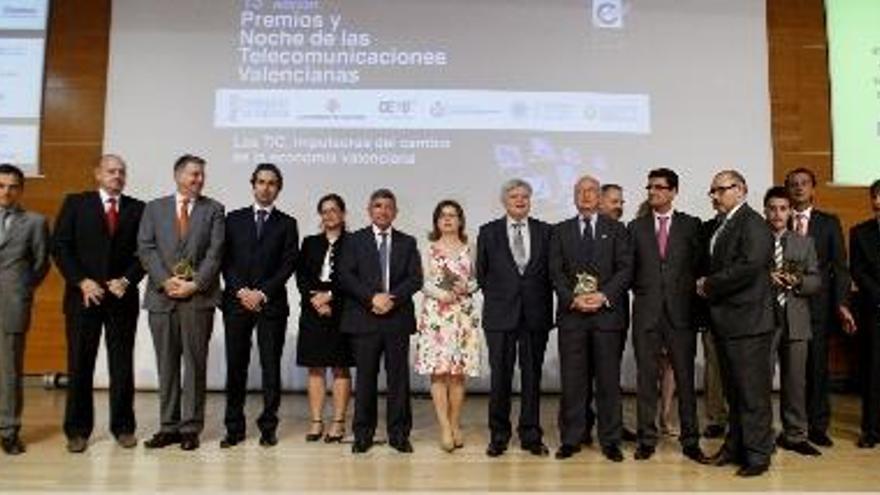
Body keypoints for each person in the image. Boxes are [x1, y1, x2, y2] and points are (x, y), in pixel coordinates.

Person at [53, 154, 145, 453]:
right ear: (97, 174)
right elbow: (60, 246)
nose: (117, 175)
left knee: (122, 366)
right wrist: (81, 280)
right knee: (80, 365)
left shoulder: (137, 208)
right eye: (111, 171)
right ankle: (77, 430)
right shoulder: (76, 203)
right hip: (83, 298)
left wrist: (128, 279)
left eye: (122, 171)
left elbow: (144, 252)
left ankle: (123, 427)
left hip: (121, 299)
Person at [137, 154, 225, 451]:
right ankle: (168, 426)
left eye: (201, 175)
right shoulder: (154, 208)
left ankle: (190, 428)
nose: (198, 179)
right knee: (167, 364)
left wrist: (195, 284)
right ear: (177, 176)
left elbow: (216, 252)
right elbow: (145, 248)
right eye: (193, 174)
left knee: (195, 364)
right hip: (161, 297)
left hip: (198, 298)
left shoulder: (214, 210)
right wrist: (165, 280)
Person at [697, 170, 774, 477]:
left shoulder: (753, 223)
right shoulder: (723, 223)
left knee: (752, 395)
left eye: (720, 190)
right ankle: (734, 448)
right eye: (712, 191)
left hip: (749, 324)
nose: (714, 196)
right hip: (729, 323)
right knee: (735, 393)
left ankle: (757, 456)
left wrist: (709, 284)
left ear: (740, 190)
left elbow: (750, 266)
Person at [551, 175, 633, 462]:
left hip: (606, 317)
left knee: (608, 382)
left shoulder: (617, 230)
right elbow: (555, 271)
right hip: (572, 316)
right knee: (573, 381)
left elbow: (625, 269)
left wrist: (602, 296)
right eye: (580, 191)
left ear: (599, 197)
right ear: (574, 197)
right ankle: (572, 438)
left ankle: (610, 440)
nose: (586, 196)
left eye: (591, 191)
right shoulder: (560, 231)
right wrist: (572, 298)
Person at [628, 168, 707, 463]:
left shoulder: (691, 225)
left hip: (681, 314)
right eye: (649, 187)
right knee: (646, 379)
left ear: (674, 191)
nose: (652, 192)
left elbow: (700, 268)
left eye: (659, 188)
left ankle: (690, 441)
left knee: (685, 381)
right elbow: (629, 269)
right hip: (647, 313)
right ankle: (646, 439)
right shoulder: (635, 228)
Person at [337, 189, 422, 454]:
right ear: (369, 210)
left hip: (396, 319)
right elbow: (345, 275)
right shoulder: (353, 240)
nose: (383, 211)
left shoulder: (408, 242)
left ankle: (399, 434)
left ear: (395, 212)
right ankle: (363, 433)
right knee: (365, 379)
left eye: (388, 207)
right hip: (364, 318)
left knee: (398, 380)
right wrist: (372, 298)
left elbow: (415, 278)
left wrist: (391, 298)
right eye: (377, 206)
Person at [220, 163, 298, 449]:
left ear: (278, 188)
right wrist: (242, 291)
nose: (266, 187)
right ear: (253, 185)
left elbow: (288, 264)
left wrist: (262, 293)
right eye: (261, 182)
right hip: (237, 303)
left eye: (272, 183)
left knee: (270, 368)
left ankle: (268, 427)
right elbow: (224, 260)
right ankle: (234, 428)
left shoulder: (287, 223)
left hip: (271, 305)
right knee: (236, 367)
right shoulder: (233, 219)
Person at [477, 178, 554, 458]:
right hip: (500, 315)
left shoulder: (547, 232)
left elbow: (551, 272)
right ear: (504, 201)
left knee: (532, 377)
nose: (520, 201)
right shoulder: (488, 232)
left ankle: (531, 435)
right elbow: (483, 274)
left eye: (524, 196)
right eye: (514, 196)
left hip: (536, 315)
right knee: (501, 377)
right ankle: (499, 435)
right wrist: (504, 297)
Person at [785, 167, 855, 447]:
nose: (799, 188)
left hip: (818, 309)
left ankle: (817, 426)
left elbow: (839, 267)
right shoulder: (778, 220)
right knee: (791, 372)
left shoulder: (828, 222)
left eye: (804, 183)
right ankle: (792, 427)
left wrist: (841, 304)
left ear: (813, 189)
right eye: (793, 184)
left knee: (816, 370)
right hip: (784, 306)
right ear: (788, 189)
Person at [416, 200, 481, 452]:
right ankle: (443, 427)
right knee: (439, 372)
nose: (447, 219)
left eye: (453, 215)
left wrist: (468, 287)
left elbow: (478, 279)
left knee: (457, 374)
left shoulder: (470, 248)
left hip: (463, 315)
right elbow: (422, 281)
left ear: (460, 220)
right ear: (436, 221)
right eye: (442, 215)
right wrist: (440, 295)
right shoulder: (428, 248)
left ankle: (455, 424)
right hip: (436, 316)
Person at [763, 186, 822, 456]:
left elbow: (815, 280)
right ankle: (761, 433)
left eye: (783, 209)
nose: (777, 214)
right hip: (762, 320)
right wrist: (765, 279)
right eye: (772, 208)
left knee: (795, 382)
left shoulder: (804, 242)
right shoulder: (755, 239)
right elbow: (742, 276)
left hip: (795, 320)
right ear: (765, 210)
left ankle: (795, 435)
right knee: (760, 381)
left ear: (790, 212)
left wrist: (797, 280)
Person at [0, 164, 49, 455]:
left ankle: (8, 430)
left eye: (12, 186)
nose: (6, 191)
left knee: (9, 371)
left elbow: (41, 263)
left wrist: (22, 289)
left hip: (12, 304)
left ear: (21, 190)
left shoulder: (35, 222)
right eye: (1, 185)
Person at [295, 193, 353, 443]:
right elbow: (302, 276)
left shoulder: (354, 243)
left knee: (341, 367)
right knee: (315, 367)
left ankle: (339, 422)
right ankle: (316, 421)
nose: (329, 215)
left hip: (342, 310)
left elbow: (353, 277)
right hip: (313, 311)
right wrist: (316, 300)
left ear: (343, 214)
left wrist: (330, 297)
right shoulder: (309, 242)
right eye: (325, 211)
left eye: (334, 210)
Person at [598, 184, 637, 444]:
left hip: (613, 313)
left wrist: (605, 295)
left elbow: (628, 270)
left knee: (610, 375)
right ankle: (584, 426)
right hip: (582, 314)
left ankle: (612, 428)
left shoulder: (623, 231)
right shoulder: (577, 231)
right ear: (599, 201)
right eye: (614, 201)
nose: (619, 206)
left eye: (621, 202)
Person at [850, 179, 880, 448]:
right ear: (872, 201)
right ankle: (870, 430)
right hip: (874, 311)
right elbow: (858, 271)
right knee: (872, 372)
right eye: (877, 196)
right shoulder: (859, 232)